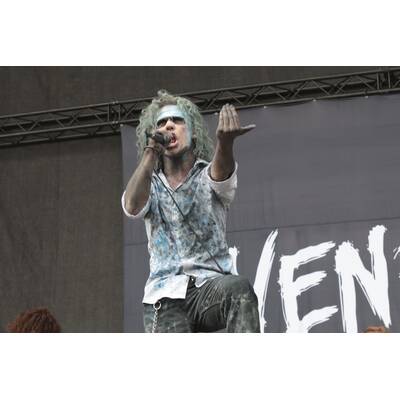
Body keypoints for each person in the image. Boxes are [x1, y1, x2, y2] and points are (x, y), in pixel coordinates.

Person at [122, 90, 260, 333]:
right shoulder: (150, 183)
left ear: (193, 132)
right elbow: (132, 206)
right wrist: (151, 151)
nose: (168, 126)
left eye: (177, 120)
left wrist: (225, 143)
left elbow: (221, 173)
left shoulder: (207, 174)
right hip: (165, 296)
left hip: (210, 287)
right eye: (161, 123)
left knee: (239, 289)